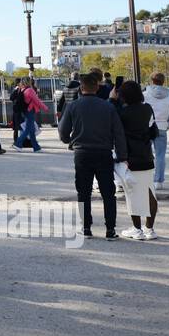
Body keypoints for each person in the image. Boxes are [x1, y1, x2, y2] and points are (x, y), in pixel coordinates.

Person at [58, 71, 127, 240]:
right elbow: (118, 133)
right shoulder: (108, 107)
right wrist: (122, 155)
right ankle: (110, 229)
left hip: (82, 153)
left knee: (83, 192)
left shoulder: (73, 106)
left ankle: (86, 227)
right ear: (97, 87)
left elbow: (62, 130)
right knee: (108, 193)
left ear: (81, 88)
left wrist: (68, 140)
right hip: (103, 153)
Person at [115, 81, 160, 240]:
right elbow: (153, 132)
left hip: (129, 159)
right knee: (149, 193)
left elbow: (118, 136)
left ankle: (136, 229)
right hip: (146, 155)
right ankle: (150, 228)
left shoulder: (122, 113)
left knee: (132, 195)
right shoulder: (147, 108)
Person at [144, 72, 169, 189]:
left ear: (151, 81)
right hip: (161, 127)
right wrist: (168, 126)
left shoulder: (144, 95)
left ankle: (145, 178)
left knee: (144, 154)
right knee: (160, 155)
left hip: (146, 127)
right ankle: (158, 181)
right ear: (163, 81)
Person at [13, 78, 45, 152]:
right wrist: (45, 107)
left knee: (31, 130)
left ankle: (36, 147)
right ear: (28, 82)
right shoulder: (30, 90)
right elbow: (37, 101)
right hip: (30, 111)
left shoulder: (22, 89)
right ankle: (17, 143)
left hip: (25, 111)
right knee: (28, 129)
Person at [9, 78, 25, 145]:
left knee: (20, 127)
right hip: (17, 110)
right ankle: (16, 141)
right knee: (17, 127)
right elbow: (11, 98)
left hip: (19, 110)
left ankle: (20, 141)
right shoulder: (17, 90)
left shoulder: (21, 90)